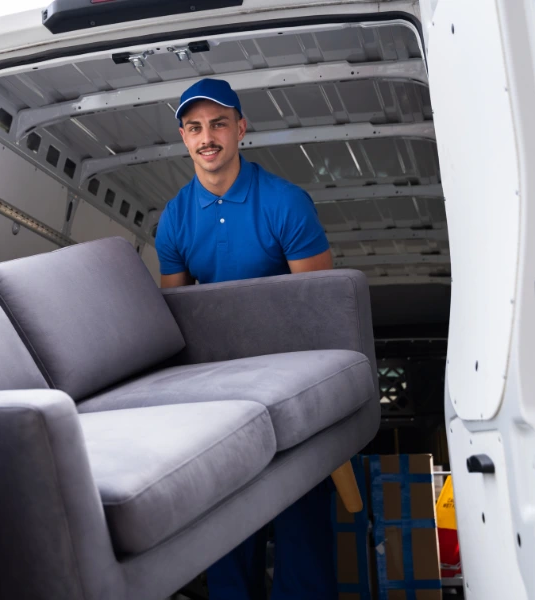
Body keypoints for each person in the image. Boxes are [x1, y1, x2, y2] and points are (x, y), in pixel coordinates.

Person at [155, 79, 336, 599]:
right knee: (226, 527)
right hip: (219, 393)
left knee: (302, 523)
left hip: (292, 383)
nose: (206, 137)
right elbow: (177, 321)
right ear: (185, 139)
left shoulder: (284, 203)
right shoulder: (175, 220)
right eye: (194, 128)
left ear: (240, 128)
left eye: (217, 124)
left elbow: (323, 309)